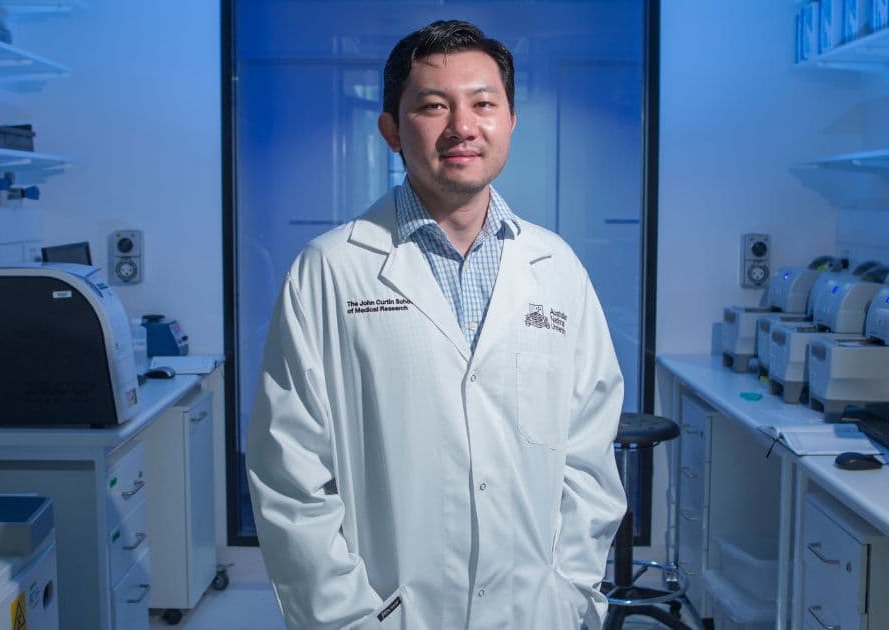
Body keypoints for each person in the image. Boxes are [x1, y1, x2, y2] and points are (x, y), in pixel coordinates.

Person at [246, 19, 626, 630]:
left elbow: (589, 454)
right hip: (386, 615)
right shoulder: (331, 269)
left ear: (510, 122)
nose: (463, 127)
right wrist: (346, 619)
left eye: (483, 104)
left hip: (534, 613)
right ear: (391, 130)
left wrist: (569, 591)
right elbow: (289, 473)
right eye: (433, 106)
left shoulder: (556, 268)